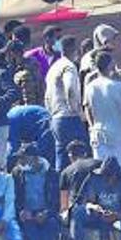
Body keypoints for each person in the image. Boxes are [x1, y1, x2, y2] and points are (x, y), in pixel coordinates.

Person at [11, 143, 60, 240]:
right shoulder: (17, 173)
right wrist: (20, 211)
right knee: (30, 228)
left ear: (34, 158)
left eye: (24, 158)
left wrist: (47, 212)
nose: (21, 161)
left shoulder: (52, 174)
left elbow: (57, 201)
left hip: (46, 212)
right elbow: (13, 198)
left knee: (51, 226)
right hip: (27, 213)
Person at [84, 51, 121, 174]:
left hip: (99, 132)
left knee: (101, 169)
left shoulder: (90, 87)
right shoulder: (118, 86)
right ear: (110, 65)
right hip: (119, 133)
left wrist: (92, 126)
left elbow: (87, 108)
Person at [45, 35, 88, 171]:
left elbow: (47, 96)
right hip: (69, 117)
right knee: (80, 157)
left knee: (62, 158)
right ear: (72, 49)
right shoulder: (69, 66)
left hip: (55, 117)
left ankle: (60, 190)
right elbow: (70, 88)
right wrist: (77, 111)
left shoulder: (53, 67)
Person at [6, 104, 55, 169]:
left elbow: (14, 147)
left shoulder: (10, 123)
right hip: (40, 120)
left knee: (44, 152)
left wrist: (8, 166)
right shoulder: (11, 116)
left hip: (43, 121)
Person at [59, 140, 101, 216]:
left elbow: (64, 204)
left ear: (70, 155)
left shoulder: (65, 172)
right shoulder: (98, 163)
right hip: (100, 208)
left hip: (77, 211)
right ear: (85, 153)